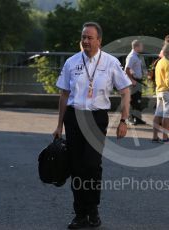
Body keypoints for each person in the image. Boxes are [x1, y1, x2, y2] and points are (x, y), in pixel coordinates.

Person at [53, 22, 131, 229]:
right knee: (77, 167)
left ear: (99, 40)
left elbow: (125, 90)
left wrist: (124, 120)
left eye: (90, 37)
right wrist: (59, 125)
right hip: (74, 117)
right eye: (83, 37)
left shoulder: (111, 62)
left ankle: (93, 209)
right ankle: (80, 214)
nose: (86, 41)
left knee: (92, 166)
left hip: (97, 118)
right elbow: (64, 94)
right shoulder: (71, 62)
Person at [152, 43, 169, 144]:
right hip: (167, 91)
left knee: (158, 114)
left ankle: (155, 137)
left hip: (159, 91)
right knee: (167, 115)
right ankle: (165, 137)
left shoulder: (160, 62)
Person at [125, 40, 146, 125]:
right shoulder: (132, 56)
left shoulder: (135, 56)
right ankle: (130, 119)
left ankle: (138, 118)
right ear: (136, 47)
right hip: (133, 81)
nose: (142, 47)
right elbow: (126, 69)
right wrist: (132, 80)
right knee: (132, 100)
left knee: (137, 100)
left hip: (137, 81)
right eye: (141, 46)